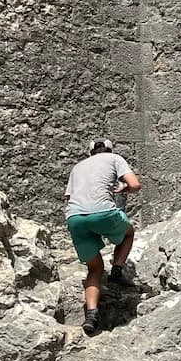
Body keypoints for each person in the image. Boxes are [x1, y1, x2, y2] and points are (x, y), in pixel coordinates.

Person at [63, 138, 140, 335]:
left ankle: (91, 315)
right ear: (109, 150)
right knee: (128, 233)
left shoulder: (77, 167)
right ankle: (117, 270)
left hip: (75, 218)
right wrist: (124, 189)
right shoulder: (114, 158)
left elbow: (68, 198)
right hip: (103, 212)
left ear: (90, 153)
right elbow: (135, 184)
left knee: (94, 269)